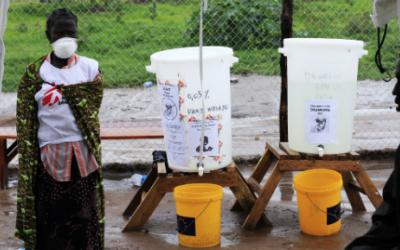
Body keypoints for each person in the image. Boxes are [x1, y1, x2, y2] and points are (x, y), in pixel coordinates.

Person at [15, 8, 105, 250]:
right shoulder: (36, 74)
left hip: (83, 153)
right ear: (49, 36)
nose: (65, 38)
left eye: (70, 33)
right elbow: (25, 117)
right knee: (52, 214)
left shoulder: (89, 69)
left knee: (84, 213)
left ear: (77, 36)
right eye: (59, 33)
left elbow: (91, 107)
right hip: (49, 155)